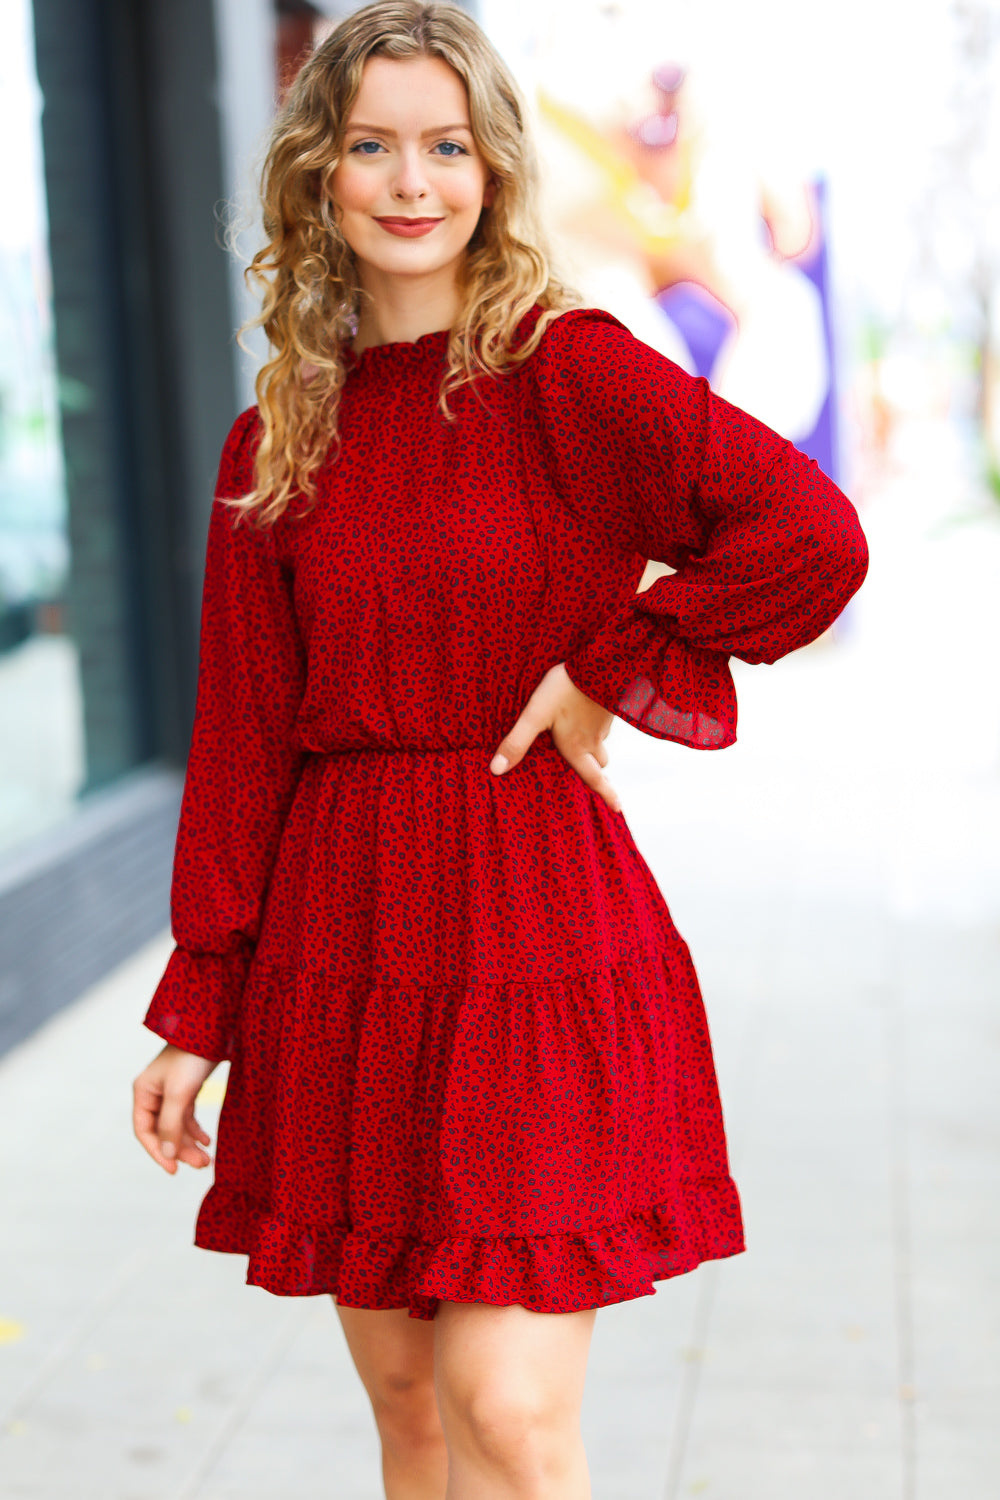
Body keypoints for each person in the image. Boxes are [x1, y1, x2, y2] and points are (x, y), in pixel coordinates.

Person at [131, 4, 868, 1497]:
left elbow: (811, 538)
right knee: (411, 1417)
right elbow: (243, 741)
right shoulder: (279, 437)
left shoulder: (571, 376)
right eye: (373, 146)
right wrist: (199, 1003)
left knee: (512, 1417)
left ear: (494, 169)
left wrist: (617, 663)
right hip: (343, 952)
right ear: (317, 177)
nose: (413, 181)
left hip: (534, 934)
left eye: (447, 145)